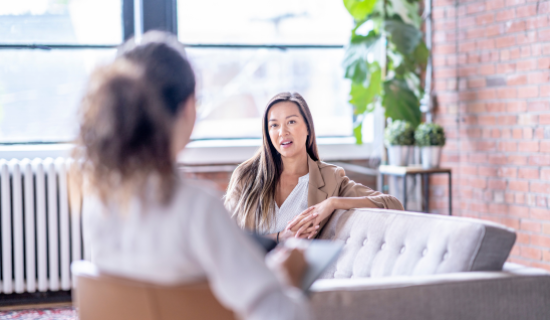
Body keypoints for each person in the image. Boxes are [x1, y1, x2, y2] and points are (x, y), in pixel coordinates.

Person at [74, 32, 310, 320]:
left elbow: (159, 289)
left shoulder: (98, 199)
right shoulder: (198, 206)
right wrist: (285, 281)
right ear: (188, 108)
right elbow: (281, 314)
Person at [225, 92, 404, 242]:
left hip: (301, 279)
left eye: (291, 122)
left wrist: (332, 203)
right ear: (268, 132)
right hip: (251, 275)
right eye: (274, 125)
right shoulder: (246, 176)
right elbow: (224, 236)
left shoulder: (330, 178)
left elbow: (393, 204)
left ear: (308, 128)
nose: (283, 132)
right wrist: (280, 237)